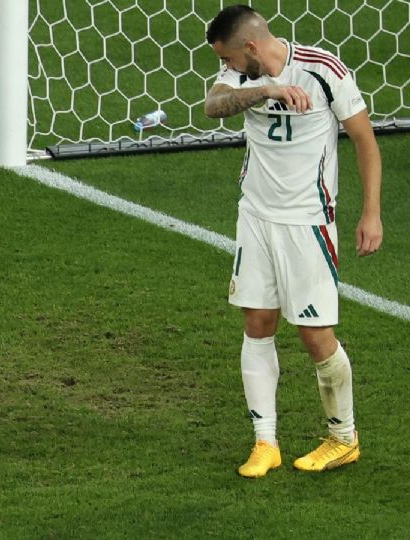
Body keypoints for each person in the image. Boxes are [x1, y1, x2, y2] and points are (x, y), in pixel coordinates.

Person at [204, 5, 383, 477]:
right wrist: (266, 89)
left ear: (251, 46)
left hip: (308, 222)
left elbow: (365, 140)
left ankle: (343, 438)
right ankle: (266, 443)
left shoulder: (323, 71)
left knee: (314, 332)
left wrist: (371, 213)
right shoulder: (243, 76)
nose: (230, 68)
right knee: (257, 321)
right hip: (256, 218)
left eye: (233, 60)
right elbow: (211, 105)